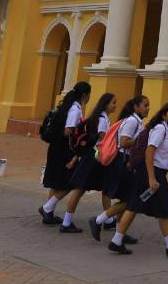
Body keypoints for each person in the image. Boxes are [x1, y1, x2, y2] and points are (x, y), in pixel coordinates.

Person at [109, 101, 168, 258]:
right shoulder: (160, 128)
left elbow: (164, 152)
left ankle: (116, 241)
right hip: (152, 172)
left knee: (134, 205)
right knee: (164, 207)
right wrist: (152, 178)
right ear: (164, 115)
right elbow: (149, 152)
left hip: (156, 172)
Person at [90, 95, 149, 243]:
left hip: (127, 161)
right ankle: (98, 221)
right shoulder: (132, 121)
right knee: (129, 199)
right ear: (136, 107)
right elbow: (123, 142)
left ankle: (119, 233)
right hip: (123, 162)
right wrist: (142, 142)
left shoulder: (136, 121)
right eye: (145, 105)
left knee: (126, 198)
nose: (148, 108)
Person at [58, 92, 116, 233]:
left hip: (93, 158)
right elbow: (103, 140)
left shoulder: (100, 117)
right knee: (80, 190)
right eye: (113, 103)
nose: (115, 105)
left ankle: (108, 220)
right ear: (105, 104)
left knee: (103, 189)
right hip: (95, 160)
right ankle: (66, 223)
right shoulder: (102, 120)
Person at [38, 81, 90, 225]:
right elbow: (68, 131)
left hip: (56, 147)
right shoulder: (75, 109)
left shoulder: (68, 106)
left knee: (56, 182)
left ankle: (49, 212)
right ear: (84, 95)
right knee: (71, 181)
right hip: (64, 150)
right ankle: (47, 208)